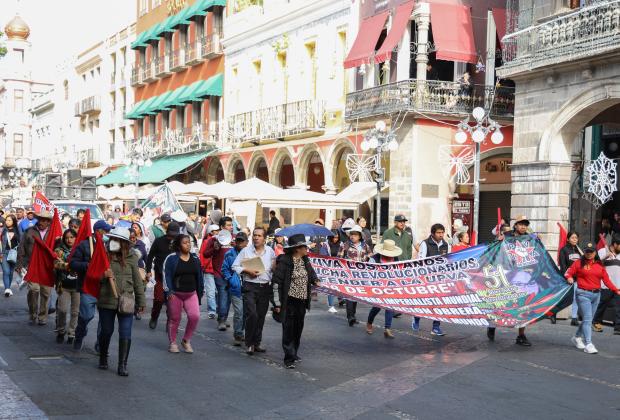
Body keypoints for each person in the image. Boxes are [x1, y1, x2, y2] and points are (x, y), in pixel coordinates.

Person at [97, 227, 146, 375]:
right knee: (106, 331)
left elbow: (138, 282)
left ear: (124, 243)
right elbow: (92, 278)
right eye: (113, 239)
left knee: (125, 332)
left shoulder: (132, 258)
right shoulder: (103, 256)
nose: (114, 242)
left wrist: (141, 301)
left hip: (126, 300)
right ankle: (103, 357)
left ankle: (122, 365)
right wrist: (103, 275)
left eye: (117, 240)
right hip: (107, 299)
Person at [272, 234, 320, 368]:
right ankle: (288, 358)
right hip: (289, 301)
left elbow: (310, 273)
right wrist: (277, 304)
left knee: (298, 329)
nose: (307, 248)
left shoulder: (305, 260)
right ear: (297, 248)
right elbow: (276, 283)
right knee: (288, 329)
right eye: (305, 246)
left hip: (302, 301)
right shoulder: (285, 261)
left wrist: (315, 280)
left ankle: (294, 352)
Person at [565, 242, 620, 354]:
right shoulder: (578, 263)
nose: (589, 254)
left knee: (587, 319)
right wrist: (569, 277)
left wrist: (616, 290)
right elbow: (568, 272)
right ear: (584, 252)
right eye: (587, 252)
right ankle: (588, 343)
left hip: (596, 295)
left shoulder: (600, 265)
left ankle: (576, 337)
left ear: (595, 253)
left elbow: (607, 280)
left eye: (591, 252)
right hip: (582, 294)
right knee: (588, 319)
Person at [70, 220, 113, 350]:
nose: (108, 233)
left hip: (106, 287)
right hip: (88, 286)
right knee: (86, 315)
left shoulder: (111, 246)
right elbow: (73, 263)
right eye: (106, 231)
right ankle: (80, 334)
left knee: (105, 320)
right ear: (98, 231)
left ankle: (101, 343)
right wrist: (88, 265)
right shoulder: (84, 245)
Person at [232, 227, 276, 354]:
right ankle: (249, 343)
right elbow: (235, 266)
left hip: (265, 287)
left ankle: (257, 343)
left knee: (261, 316)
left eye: (259, 236)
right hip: (250, 286)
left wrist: (274, 267)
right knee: (252, 314)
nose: (256, 238)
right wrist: (247, 270)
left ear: (264, 238)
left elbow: (273, 269)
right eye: (254, 235)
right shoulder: (246, 251)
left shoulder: (270, 251)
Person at [163, 234, 204, 353]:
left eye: (189, 242)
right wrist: (168, 290)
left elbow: (199, 277)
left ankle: (186, 340)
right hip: (175, 294)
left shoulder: (195, 258)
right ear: (178, 245)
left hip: (191, 293)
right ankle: (173, 343)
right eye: (184, 243)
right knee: (175, 318)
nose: (188, 244)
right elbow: (166, 275)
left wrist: (200, 291)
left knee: (195, 316)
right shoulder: (171, 258)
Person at [16, 210, 54, 325]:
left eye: (45, 220)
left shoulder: (53, 233)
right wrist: (19, 264)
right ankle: (33, 314)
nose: (42, 222)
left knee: (46, 293)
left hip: (47, 268)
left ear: (49, 222)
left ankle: (42, 316)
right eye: (41, 219)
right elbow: (21, 248)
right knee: (33, 290)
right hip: (32, 266)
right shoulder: (29, 231)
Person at [413, 223, 450, 336]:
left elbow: (449, 260)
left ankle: (436, 327)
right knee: (423, 301)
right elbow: (420, 261)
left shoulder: (446, 245)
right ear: (433, 233)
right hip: (427, 278)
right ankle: (416, 318)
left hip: (440, 279)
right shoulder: (425, 243)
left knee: (439, 303)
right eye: (438, 233)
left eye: (442, 232)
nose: (441, 235)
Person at [145, 221, 180, 329]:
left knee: (172, 301)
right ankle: (154, 317)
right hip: (160, 274)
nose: (171, 238)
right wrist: (148, 270)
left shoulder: (180, 243)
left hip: (174, 276)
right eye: (170, 235)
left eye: (173, 235)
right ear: (167, 232)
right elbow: (150, 256)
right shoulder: (159, 241)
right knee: (159, 299)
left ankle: (170, 322)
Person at [203, 216, 234, 331]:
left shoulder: (234, 238)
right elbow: (206, 254)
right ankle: (221, 319)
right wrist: (214, 248)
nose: (231, 227)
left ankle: (224, 318)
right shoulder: (214, 239)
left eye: (231, 225)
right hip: (219, 272)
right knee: (222, 294)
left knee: (229, 296)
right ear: (222, 227)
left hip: (232, 273)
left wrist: (238, 246)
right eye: (228, 225)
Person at [366, 240, 402, 339]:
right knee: (377, 307)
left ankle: (387, 328)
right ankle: (369, 323)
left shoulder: (395, 259)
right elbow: (368, 273)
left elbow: (398, 271)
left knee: (389, 306)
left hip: (389, 285)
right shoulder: (374, 259)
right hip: (377, 285)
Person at [338, 225, 373, 326]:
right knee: (349, 294)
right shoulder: (345, 245)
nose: (353, 236)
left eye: (355, 234)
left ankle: (353, 315)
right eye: (351, 234)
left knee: (356, 295)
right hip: (348, 274)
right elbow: (339, 259)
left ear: (360, 236)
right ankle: (350, 317)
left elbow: (371, 258)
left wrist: (366, 258)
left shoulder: (365, 246)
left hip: (360, 275)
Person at [54, 229, 80, 344]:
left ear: (76, 238)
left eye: (71, 237)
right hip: (63, 285)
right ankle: (61, 331)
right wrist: (68, 266)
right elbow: (55, 264)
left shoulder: (81, 250)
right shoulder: (59, 251)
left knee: (75, 312)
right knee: (62, 310)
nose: (69, 240)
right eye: (66, 238)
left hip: (77, 286)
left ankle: (72, 333)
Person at [222, 231, 248, 346]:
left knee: (246, 312)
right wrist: (230, 279)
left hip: (249, 287)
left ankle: (242, 332)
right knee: (239, 312)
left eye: (242, 241)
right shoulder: (229, 254)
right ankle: (237, 334)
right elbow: (225, 269)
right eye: (238, 240)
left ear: (246, 242)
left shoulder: (250, 253)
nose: (240, 243)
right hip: (235, 287)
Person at [593, 235, 620, 335]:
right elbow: (594, 264)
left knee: (619, 308)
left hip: (618, 286)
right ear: (615, 244)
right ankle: (595, 322)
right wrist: (605, 257)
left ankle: (618, 328)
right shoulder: (603, 251)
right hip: (606, 286)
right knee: (602, 306)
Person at [558, 231, 582, 326]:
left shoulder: (578, 250)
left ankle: (574, 318)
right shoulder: (564, 250)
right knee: (563, 298)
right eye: (572, 237)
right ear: (568, 239)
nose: (574, 239)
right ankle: (553, 313)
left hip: (577, 278)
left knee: (576, 297)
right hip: (567, 278)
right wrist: (567, 276)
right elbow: (563, 265)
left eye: (576, 238)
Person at [199, 224, 220, 319]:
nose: (218, 231)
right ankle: (212, 310)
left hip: (218, 270)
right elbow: (202, 255)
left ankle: (217, 308)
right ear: (211, 232)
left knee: (217, 291)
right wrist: (202, 266)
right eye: (216, 230)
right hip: (208, 270)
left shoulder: (222, 241)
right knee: (211, 291)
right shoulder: (206, 241)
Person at [2, 214, 20, 297]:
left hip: (14, 253)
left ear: (13, 221)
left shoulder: (17, 230)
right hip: (4, 253)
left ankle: (8, 288)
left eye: (9, 220)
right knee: (6, 271)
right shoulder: (3, 230)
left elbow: (21, 242)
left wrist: (15, 236)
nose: (7, 222)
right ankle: (7, 289)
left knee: (11, 272)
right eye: (6, 220)